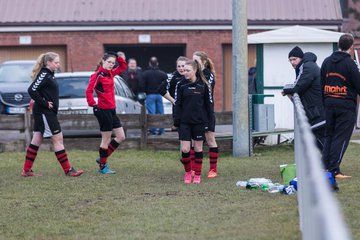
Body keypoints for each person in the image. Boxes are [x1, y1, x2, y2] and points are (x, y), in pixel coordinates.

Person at [22, 52, 84, 177]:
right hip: (44, 112)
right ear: (48, 63)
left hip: (46, 112)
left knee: (36, 139)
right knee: (58, 139)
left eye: (58, 62)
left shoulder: (50, 74)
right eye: (56, 62)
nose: (58, 64)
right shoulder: (44, 74)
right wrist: (45, 103)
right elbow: (32, 89)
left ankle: (27, 170)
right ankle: (68, 170)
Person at [320, 33, 360, 179]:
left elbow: (321, 83)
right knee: (341, 137)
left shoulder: (326, 61)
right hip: (346, 106)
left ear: (338, 45)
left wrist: (325, 100)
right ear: (351, 47)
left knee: (329, 135)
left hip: (329, 104)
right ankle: (334, 169)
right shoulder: (350, 63)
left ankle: (325, 166)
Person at [86, 52, 127, 174]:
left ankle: (102, 158)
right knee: (106, 139)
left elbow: (123, 67)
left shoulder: (110, 73)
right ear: (103, 61)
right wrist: (93, 104)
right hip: (103, 110)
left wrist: (117, 56)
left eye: (113, 63)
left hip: (112, 109)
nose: (111, 65)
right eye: (109, 62)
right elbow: (89, 91)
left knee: (121, 137)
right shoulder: (97, 75)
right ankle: (103, 167)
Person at [173, 59, 213, 184]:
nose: (185, 73)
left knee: (198, 149)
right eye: (184, 70)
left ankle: (198, 175)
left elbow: (208, 106)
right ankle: (188, 172)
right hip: (184, 122)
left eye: (187, 70)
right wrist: (177, 121)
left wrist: (208, 123)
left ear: (195, 70)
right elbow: (177, 104)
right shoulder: (181, 85)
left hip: (199, 122)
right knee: (185, 149)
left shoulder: (203, 85)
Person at [282, 46, 326, 151]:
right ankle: (327, 164)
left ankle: (331, 165)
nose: (292, 62)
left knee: (320, 140)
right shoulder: (305, 66)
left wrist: (286, 90)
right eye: (290, 60)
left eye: (294, 59)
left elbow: (298, 86)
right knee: (317, 140)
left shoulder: (307, 67)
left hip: (317, 111)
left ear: (301, 58)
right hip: (315, 110)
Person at [193, 51, 219, 178]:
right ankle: (194, 169)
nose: (194, 63)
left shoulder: (209, 75)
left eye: (196, 61)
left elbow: (205, 89)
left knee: (210, 140)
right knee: (195, 142)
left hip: (206, 112)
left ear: (203, 61)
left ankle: (213, 169)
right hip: (195, 113)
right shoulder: (193, 73)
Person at [158, 56, 188, 130]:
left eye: (183, 66)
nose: (181, 68)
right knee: (183, 136)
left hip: (192, 110)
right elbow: (161, 89)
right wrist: (173, 100)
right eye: (179, 66)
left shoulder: (192, 76)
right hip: (179, 111)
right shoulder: (173, 77)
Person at [141, 56, 168, 135]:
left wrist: (145, 91)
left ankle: (153, 130)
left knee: (151, 113)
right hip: (160, 95)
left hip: (150, 95)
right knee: (160, 112)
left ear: (149, 63)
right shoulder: (162, 74)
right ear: (157, 63)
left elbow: (142, 85)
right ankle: (161, 130)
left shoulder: (145, 74)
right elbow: (167, 83)